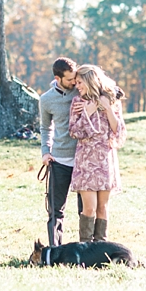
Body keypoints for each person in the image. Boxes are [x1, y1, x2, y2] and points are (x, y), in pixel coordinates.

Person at [69, 64, 127, 243]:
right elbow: (74, 132)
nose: (77, 86)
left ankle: (101, 246)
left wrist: (107, 108)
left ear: (90, 80)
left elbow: (119, 130)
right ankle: (85, 247)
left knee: (103, 207)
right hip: (86, 160)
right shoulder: (77, 103)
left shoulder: (110, 100)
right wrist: (88, 112)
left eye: (80, 82)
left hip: (105, 159)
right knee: (90, 208)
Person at [39, 57, 83, 247]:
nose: (74, 82)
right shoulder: (46, 99)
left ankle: (88, 249)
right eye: (69, 79)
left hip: (84, 159)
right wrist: (45, 152)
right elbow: (45, 128)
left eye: (75, 78)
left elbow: (110, 91)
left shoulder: (82, 90)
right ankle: (55, 250)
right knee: (56, 210)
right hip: (59, 161)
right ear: (58, 78)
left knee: (86, 210)